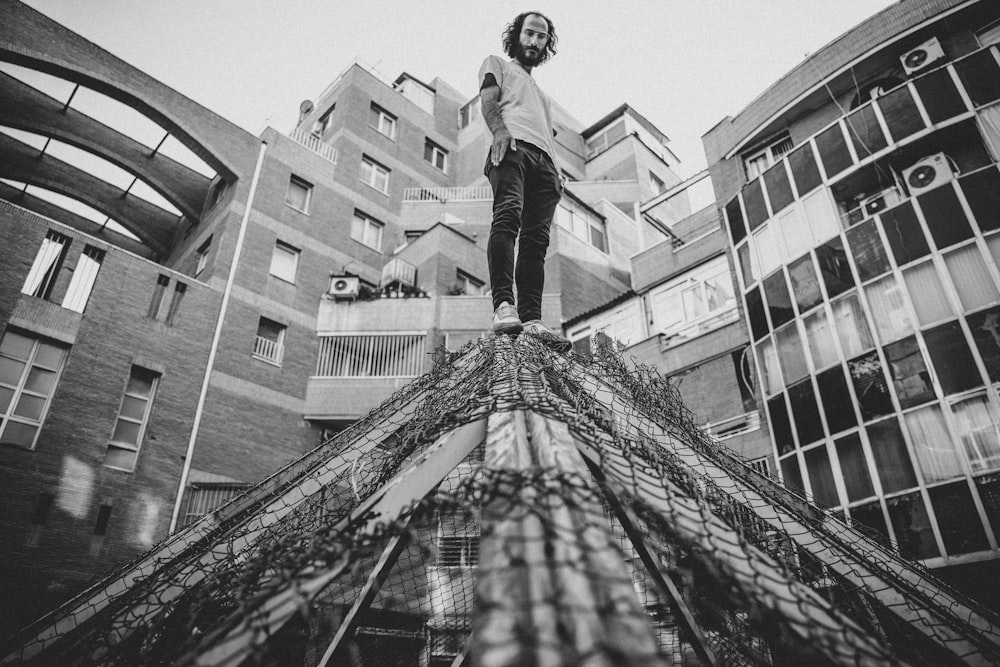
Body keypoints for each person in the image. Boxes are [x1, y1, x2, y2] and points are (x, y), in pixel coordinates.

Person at [479, 11, 571, 352]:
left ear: (547, 44)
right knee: (507, 218)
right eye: (529, 33)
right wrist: (500, 132)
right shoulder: (497, 65)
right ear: (517, 36)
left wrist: (558, 174)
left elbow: (549, 136)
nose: (534, 41)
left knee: (537, 243)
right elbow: (488, 102)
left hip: (546, 166)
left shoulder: (543, 97)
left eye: (541, 37)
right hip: (513, 148)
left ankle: (532, 320)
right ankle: (504, 306)